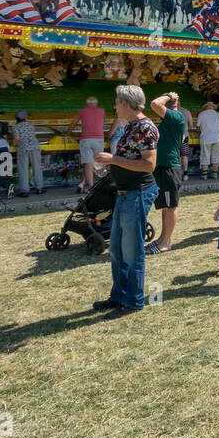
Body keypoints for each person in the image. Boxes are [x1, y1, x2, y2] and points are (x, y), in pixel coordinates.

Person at [91, 84, 159, 315]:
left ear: (126, 104)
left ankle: (133, 300)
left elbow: (149, 164)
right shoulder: (131, 126)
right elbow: (128, 158)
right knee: (117, 250)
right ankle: (119, 296)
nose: (114, 106)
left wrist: (113, 159)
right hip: (125, 193)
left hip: (137, 193)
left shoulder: (144, 127)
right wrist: (110, 165)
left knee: (131, 250)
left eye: (117, 102)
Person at [147, 91, 187, 252]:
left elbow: (154, 104)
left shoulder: (176, 117)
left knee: (170, 206)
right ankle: (163, 239)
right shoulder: (171, 120)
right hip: (164, 168)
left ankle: (165, 242)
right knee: (165, 205)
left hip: (169, 168)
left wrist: (169, 97)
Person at [67, 96, 107, 193]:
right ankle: (83, 184)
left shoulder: (82, 111)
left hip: (86, 139)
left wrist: (67, 132)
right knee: (96, 163)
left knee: (88, 164)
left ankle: (90, 186)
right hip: (99, 139)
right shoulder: (102, 111)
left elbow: (74, 123)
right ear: (96, 103)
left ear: (87, 104)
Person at [12, 110, 46, 196]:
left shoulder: (16, 127)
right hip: (35, 147)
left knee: (23, 169)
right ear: (25, 118)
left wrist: (13, 144)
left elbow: (17, 138)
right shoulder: (30, 125)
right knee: (37, 167)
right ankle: (39, 188)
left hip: (23, 149)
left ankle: (25, 190)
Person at [196, 101, 219, 179]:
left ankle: (205, 175)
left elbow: (198, 127)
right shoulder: (218, 114)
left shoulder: (201, 114)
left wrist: (201, 130)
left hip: (205, 138)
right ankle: (214, 174)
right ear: (213, 107)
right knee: (216, 156)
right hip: (217, 138)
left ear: (205, 107)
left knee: (205, 156)